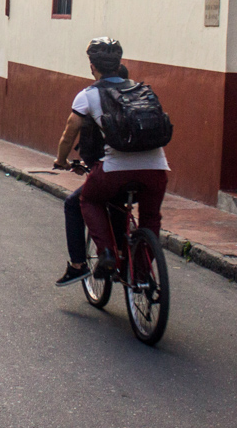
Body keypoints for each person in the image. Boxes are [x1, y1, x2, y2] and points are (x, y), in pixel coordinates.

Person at [53, 40, 168, 285]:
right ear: (119, 65)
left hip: (115, 172)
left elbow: (69, 131)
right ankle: (141, 272)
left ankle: (106, 253)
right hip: (157, 170)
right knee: (150, 218)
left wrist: (61, 160)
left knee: (88, 200)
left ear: (92, 67)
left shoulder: (88, 95)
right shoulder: (142, 89)